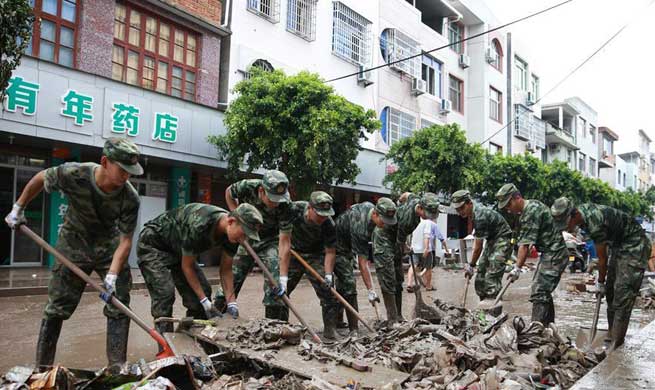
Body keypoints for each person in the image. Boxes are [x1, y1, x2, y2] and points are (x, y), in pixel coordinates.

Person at [5, 138, 142, 371]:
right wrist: (19, 207)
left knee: (119, 300)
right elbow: (41, 178)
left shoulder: (130, 198)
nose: (126, 177)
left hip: (108, 246)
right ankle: (43, 368)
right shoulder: (75, 173)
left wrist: (111, 275)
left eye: (130, 172)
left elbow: (126, 240)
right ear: (105, 162)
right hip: (73, 242)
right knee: (57, 306)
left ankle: (117, 365)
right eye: (122, 170)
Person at [137, 203, 263, 338]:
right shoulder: (200, 224)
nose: (244, 239)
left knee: (202, 293)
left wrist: (232, 303)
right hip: (154, 245)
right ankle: (166, 347)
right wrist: (205, 301)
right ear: (231, 221)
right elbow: (187, 266)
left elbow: (226, 270)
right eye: (244, 233)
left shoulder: (232, 236)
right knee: (165, 293)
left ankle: (192, 342)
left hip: (179, 250)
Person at [552, 197, 651, 350]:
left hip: (634, 244)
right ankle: (611, 334)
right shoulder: (582, 217)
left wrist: (600, 282)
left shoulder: (594, 222)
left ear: (574, 215)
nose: (565, 228)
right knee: (611, 292)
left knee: (623, 293)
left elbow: (602, 259)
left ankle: (616, 342)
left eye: (566, 223)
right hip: (618, 244)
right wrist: (605, 283)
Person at [217, 170, 294, 320]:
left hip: (269, 241)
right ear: (261, 191)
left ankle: (275, 327)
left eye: (279, 199)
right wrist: (237, 217)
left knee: (275, 285)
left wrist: (283, 279)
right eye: (272, 199)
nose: (276, 203)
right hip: (245, 237)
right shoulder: (247, 186)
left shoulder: (285, 205)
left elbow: (284, 242)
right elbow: (229, 192)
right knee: (233, 276)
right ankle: (217, 317)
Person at [495, 183, 567, 326]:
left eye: (508, 205)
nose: (508, 210)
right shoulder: (530, 208)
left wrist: (517, 268)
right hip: (549, 253)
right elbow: (526, 244)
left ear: (517, 198)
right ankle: (547, 327)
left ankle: (535, 330)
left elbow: (525, 245)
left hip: (555, 252)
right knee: (543, 291)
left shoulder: (530, 211)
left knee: (539, 291)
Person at [280, 191, 340, 339]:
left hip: (315, 255)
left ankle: (330, 330)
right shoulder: (293, 210)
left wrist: (327, 275)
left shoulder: (328, 224)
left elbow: (330, 252)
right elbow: (283, 236)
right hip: (293, 253)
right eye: (319, 214)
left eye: (326, 214)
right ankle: (279, 327)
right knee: (280, 291)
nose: (323, 218)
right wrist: (282, 277)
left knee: (328, 292)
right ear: (310, 208)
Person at [373, 193, 440, 322]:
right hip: (385, 236)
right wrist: (403, 247)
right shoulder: (407, 220)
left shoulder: (415, 199)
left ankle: (398, 315)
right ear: (420, 208)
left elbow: (406, 195)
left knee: (399, 279)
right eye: (427, 214)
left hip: (398, 237)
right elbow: (399, 239)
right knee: (389, 277)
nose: (428, 218)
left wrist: (399, 202)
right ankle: (392, 319)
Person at [334, 197, 396, 329]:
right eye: (383, 221)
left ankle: (337, 321)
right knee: (349, 283)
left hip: (349, 244)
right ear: (375, 214)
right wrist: (371, 291)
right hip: (337, 246)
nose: (385, 224)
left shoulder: (372, 210)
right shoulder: (361, 226)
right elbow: (363, 263)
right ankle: (353, 328)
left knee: (342, 284)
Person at [451, 190, 512, 301]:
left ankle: (493, 307)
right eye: (457, 209)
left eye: (462, 208)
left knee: (492, 276)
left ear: (469, 203)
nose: (460, 212)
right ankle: (483, 305)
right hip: (491, 240)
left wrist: (471, 265)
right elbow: (477, 241)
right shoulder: (473, 215)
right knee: (480, 277)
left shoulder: (480, 215)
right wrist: (473, 266)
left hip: (503, 239)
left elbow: (478, 247)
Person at [407, 217, 448, 291]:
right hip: (426, 249)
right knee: (428, 267)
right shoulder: (429, 223)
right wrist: (446, 249)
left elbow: (410, 234)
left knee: (414, 265)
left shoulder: (415, 222)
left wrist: (409, 246)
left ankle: (409, 284)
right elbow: (431, 236)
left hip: (414, 248)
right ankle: (428, 286)